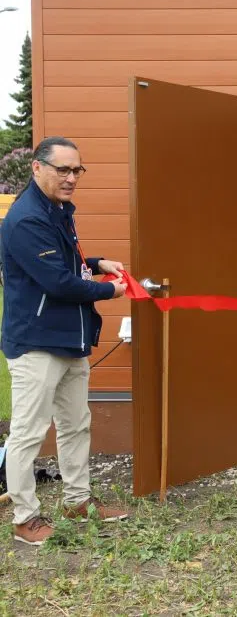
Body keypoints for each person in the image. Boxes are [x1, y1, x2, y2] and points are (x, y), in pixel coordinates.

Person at [1, 136, 129, 546]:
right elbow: (56, 281)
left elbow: (66, 263)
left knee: (76, 425)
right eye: (63, 170)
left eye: (77, 170)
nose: (71, 178)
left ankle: (77, 501)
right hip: (36, 343)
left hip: (69, 341)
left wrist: (97, 263)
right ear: (36, 168)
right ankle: (26, 519)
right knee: (29, 432)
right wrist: (111, 291)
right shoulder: (26, 219)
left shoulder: (57, 211)